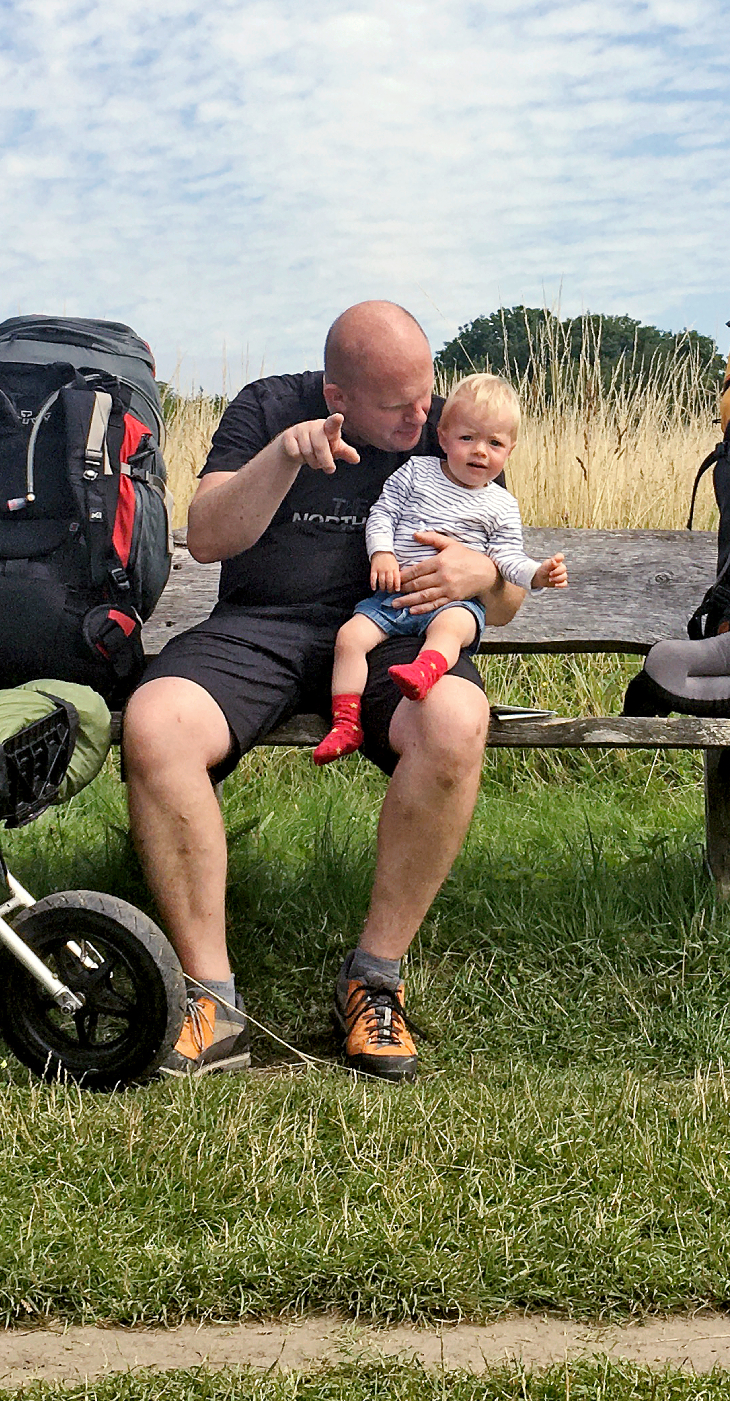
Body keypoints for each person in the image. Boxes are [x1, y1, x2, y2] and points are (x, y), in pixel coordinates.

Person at [122, 302, 525, 1083]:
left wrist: (485, 578)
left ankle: (374, 978)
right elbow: (205, 536)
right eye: (397, 405)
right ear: (338, 397)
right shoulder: (269, 407)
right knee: (157, 722)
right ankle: (214, 1000)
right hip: (261, 628)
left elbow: (504, 600)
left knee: (456, 718)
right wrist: (281, 457)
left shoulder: (454, 427)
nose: (423, 415)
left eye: (426, 394)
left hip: (400, 634)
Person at [313, 373, 567, 766]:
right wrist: (381, 554)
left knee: (452, 628)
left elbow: (507, 559)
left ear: (510, 450)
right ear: (443, 436)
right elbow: (383, 513)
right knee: (350, 637)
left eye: (495, 443)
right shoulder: (416, 472)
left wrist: (537, 575)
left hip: (454, 604)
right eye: (468, 438)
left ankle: (424, 673)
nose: (480, 451)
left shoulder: (501, 505)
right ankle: (346, 722)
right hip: (393, 598)